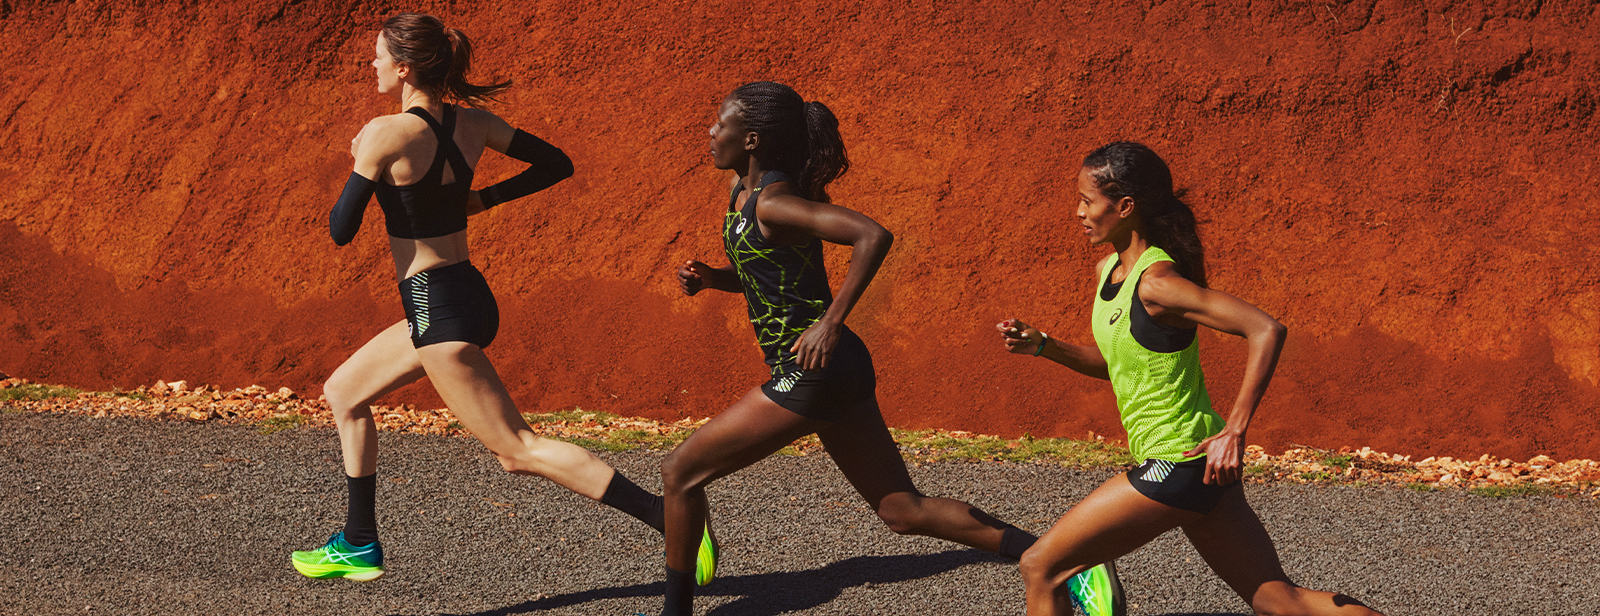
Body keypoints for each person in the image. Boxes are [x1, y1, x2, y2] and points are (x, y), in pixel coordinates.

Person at [659, 81, 1123, 616]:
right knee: (903, 510)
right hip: (834, 370)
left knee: (679, 472)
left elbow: (871, 235)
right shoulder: (743, 193)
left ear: (753, 139)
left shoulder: (777, 201)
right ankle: (1068, 560)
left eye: (722, 125)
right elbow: (768, 275)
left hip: (816, 370)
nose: (711, 133)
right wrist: (714, 279)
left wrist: (831, 323)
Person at [290, 12, 679, 582]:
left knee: (517, 450)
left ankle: (670, 517)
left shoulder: (384, 133)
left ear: (402, 68)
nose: (371, 65)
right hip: (464, 293)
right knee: (344, 392)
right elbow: (556, 164)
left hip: (434, 307)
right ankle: (358, 541)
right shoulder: (475, 125)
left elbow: (340, 230)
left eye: (377, 57)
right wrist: (482, 199)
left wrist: (364, 163)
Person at [997, 141, 1386, 615]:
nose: (1079, 211)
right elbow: (1114, 364)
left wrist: (1235, 430)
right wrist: (1044, 345)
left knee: (1042, 565)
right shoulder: (1109, 272)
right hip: (1198, 467)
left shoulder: (1158, 283)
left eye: (1087, 200)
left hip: (1179, 459)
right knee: (1281, 603)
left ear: (1124, 206)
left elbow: (1265, 329)